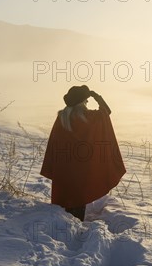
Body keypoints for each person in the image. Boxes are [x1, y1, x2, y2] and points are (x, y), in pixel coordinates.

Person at [40, 85, 126, 221]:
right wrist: (96, 96)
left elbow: (55, 144)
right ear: (81, 102)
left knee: (62, 204)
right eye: (86, 100)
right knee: (77, 203)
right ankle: (74, 230)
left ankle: (60, 227)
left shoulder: (62, 118)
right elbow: (106, 112)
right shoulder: (89, 117)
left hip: (63, 169)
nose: (87, 103)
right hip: (81, 171)